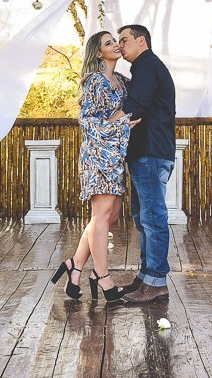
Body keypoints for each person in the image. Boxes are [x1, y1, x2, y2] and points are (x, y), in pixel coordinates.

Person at [50, 30, 132, 304]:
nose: (116, 45)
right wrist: (119, 124)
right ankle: (102, 276)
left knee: (111, 214)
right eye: (109, 43)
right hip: (98, 155)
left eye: (116, 41)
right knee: (102, 214)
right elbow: (87, 122)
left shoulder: (121, 81)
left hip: (116, 156)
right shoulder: (95, 82)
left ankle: (74, 265)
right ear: (99, 53)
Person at [117, 22, 177, 305]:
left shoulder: (147, 66)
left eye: (125, 40)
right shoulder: (143, 68)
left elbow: (134, 106)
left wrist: (100, 126)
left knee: (152, 218)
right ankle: (145, 276)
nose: (120, 45)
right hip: (146, 153)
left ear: (142, 41)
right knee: (143, 219)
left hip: (151, 153)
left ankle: (156, 282)